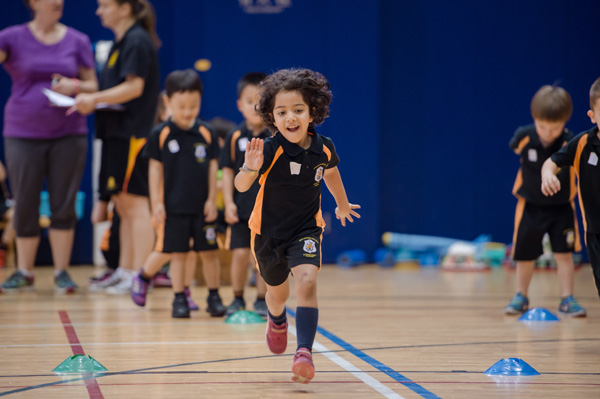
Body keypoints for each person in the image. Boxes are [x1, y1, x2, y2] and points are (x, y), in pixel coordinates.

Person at [235, 68, 360, 383]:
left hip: (305, 229)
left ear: (313, 112)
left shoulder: (324, 146)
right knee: (278, 294)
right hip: (267, 233)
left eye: (298, 110)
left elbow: (330, 172)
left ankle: (304, 351)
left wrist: (342, 204)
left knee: (306, 281)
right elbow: (240, 185)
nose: (290, 117)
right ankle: (277, 319)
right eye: (282, 112)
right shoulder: (270, 149)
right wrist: (249, 169)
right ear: (272, 117)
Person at [0, 0, 98, 293]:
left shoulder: (77, 40)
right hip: (22, 131)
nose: (58, 2)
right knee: (25, 200)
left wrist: (75, 86)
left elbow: (94, 84)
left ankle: (61, 272)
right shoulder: (11, 37)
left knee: (64, 202)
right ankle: (25, 271)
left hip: (69, 132)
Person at [73, 0, 160, 294]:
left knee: (135, 205)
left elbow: (134, 88)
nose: (99, 11)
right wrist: (79, 88)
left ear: (125, 8)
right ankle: (124, 270)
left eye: (105, 5)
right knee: (122, 205)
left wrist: (93, 100)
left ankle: (139, 274)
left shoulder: (137, 40)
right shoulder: (120, 43)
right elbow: (110, 86)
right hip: (116, 134)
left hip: (133, 134)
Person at [130, 69, 226, 318]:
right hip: (173, 208)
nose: (187, 111)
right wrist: (157, 203)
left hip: (202, 208)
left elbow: (213, 166)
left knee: (209, 253)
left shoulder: (206, 132)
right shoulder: (160, 134)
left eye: (193, 106)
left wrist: (210, 201)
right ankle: (179, 298)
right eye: (181, 106)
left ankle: (214, 297)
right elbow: (154, 171)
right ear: (168, 102)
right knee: (179, 254)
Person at [504, 85, 586, 317]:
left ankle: (567, 298)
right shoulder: (524, 137)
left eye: (555, 127)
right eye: (542, 127)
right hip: (530, 207)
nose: (548, 133)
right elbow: (513, 149)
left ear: (565, 122)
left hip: (562, 208)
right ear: (534, 119)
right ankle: (521, 295)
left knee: (564, 255)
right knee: (524, 255)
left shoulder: (570, 142)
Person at [542, 77, 600, 301]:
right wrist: (548, 175)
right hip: (596, 232)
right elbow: (552, 162)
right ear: (592, 116)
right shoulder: (582, 144)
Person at [220, 72, 271, 318]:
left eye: (260, 100)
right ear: (239, 105)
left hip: (268, 212)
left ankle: (262, 299)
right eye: (249, 100)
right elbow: (227, 172)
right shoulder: (234, 136)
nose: (255, 106)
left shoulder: (275, 137)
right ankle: (237, 297)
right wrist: (228, 202)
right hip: (240, 210)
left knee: (263, 256)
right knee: (240, 254)